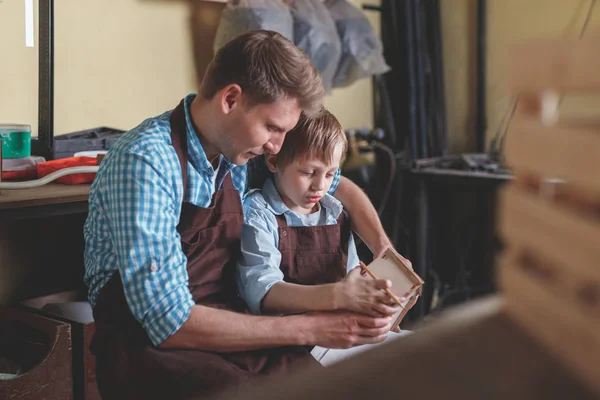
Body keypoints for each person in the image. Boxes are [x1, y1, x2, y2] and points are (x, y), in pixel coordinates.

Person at [83, 30, 407, 400]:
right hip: (147, 350)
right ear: (231, 99)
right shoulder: (146, 162)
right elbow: (169, 323)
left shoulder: (237, 151)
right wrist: (314, 327)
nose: (277, 146)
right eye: (272, 127)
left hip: (229, 332)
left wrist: (384, 250)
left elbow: (340, 188)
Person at [237, 109, 411, 367]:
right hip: (296, 345)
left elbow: (355, 276)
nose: (320, 185)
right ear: (274, 162)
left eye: (330, 174)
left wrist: (393, 292)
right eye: (308, 172)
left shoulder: (335, 210)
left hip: (347, 330)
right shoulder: (258, 215)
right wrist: (339, 295)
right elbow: (264, 293)